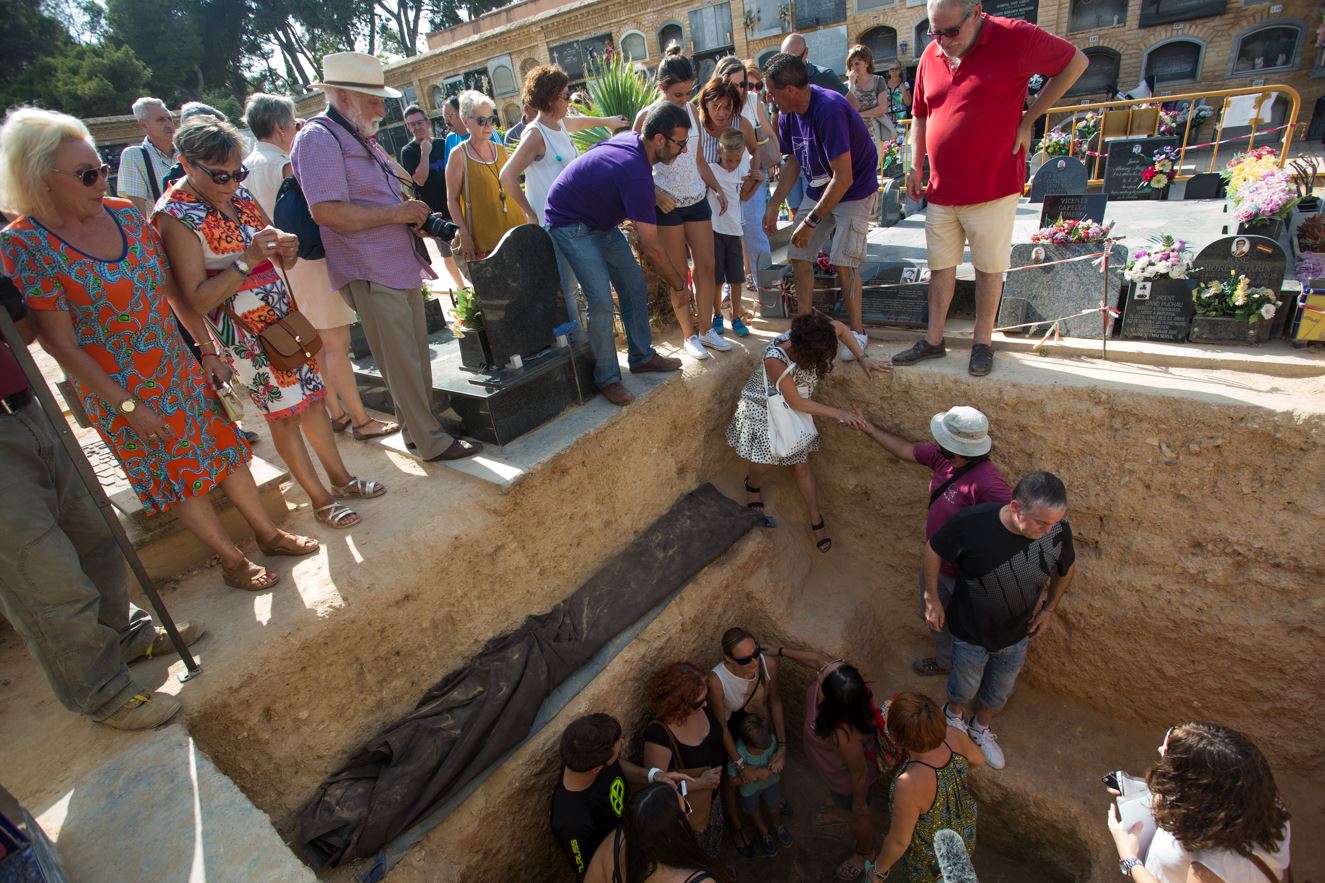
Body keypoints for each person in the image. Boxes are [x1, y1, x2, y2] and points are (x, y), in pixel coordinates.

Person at [0, 107, 304, 592]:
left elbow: (170, 292)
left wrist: (206, 351)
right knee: (177, 474)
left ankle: (268, 534)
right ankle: (231, 560)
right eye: (86, 174)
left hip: (178, 364)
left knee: (225, 451)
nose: (101, 180)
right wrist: (126, 405)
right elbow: (59, 343)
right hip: (119, 387)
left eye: (100, 167)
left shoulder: (123, 213)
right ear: (41, 177)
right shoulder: (24, 244)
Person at [155, 117, 387, 530]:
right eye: (221, 174)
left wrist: (288, 248)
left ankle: (342, 480)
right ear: (188, 164)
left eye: (237, 172)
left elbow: (277, 254)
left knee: (314, 400)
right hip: (244, 334)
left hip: (282, 317)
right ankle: (319, 499)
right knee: (284, 416)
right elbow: (193, 297)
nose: (231, 182)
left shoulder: (238, 194)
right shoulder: (175, 214)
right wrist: (246, 260)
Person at [0, 274, 206, 730]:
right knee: (41, 572)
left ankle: (124, 634)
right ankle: (102, 690)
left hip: (25, 407)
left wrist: (13, 305)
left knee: (95, 534)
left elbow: (27, 334)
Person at [292, 51, 481, 462]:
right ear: (344, 96)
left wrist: (410, 215)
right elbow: (325, 211)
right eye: (374, 99)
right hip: (369, 267)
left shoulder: (357, 135)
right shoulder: (318, 138)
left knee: (410, 356)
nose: (382, 108)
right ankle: (431, 442)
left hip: (397, 262)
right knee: (402, 361)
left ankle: (418, 432)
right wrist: (398, 213)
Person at [892, 0, 1087, 377]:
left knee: (988, 268)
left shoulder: (1015, 37)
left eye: (951, 31)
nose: (943, 41)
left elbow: (1075, 62)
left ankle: (983, 341)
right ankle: (934, 340)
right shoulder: (933, 54)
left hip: (992, 183)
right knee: (940, 268)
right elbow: (920, 114)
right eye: (936, 32)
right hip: (942, 187)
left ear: (976, 12)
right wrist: (915, 166)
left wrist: (1030, 119)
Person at [243, 93, 398, 444]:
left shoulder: (248, 165)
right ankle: (360, 419)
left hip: (282, 270)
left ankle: (338, 413)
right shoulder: (284, 163)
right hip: (310, 262)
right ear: (281, 125)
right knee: (335, 345)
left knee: (315, 346)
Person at [925, 470, 1076, 770]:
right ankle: (954, 718)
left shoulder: (1057, 531)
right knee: (963, 687)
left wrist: (1049, 609)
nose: (1049, 531)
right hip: (970, 632)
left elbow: (1066, 567)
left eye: (1054, 523)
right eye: (1042, 523)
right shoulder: (973, 524)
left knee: (997, 692)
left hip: (1016, 634)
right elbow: (933, 549)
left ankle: (980, 728)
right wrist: (932, 598)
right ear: (1016, 507)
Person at [543, 103, 687, 407]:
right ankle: (607, 378)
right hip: (569, 223)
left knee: (633, 283)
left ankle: (641, 356)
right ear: (659, 139)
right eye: (680, 143)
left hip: (599, 221)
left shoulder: (635, 140)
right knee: (601, 301)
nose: (683, 151)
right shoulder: (636, 173)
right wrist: (679, 282)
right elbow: (652, 248)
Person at [860, 407, 1012, 676]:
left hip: (966, 577)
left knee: (968, 632)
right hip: (936, 565)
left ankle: (970, 677)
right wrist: (870, 429)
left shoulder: (988, 484)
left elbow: (1010, 528)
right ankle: (946, 662)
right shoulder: (944, 459)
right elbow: (906, 450)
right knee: (934, 618)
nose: (937, 442)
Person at [727, 308, 885, 552]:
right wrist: (839, 413)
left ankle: (816, 519)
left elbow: (841, 329)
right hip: (765, 403)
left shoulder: (816, 333)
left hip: (795, 399)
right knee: (765, 459)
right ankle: (752, 484)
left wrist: (863, 358)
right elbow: (796, 403)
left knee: (801, 465)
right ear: (802, 352)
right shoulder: (775, 358)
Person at [761, 52, 879, 363]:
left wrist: (812, 221)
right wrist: (774, 204)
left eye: (771, 92)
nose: (769, 99)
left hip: (854, 189)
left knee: (845, 259)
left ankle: (857, 331)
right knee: (798, 253)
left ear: (789, 90)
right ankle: (803, 326)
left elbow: (843, 178)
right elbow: (794, 161)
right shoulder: (787, 114)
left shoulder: (829, 109)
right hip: (819, 186)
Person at [500, 65, 628, 330]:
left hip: (574, 220)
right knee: (568, 287)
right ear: (549, 99)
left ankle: (586, 338)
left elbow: (580, 123)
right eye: (565, 96)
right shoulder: (535, 134)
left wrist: (607, 122)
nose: (570, 100)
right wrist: (531, 213)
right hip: (553, 225)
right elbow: (507, 175)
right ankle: (578, 342)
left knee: (581, 285)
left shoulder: (557, 124)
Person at [632, 47, 732, 362]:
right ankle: (689, 335)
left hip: (696, 199)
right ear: (661, 88)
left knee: (707, 267)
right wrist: (655, 194)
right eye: (677, 93)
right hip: (667, 206)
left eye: (689, 92)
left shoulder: (692, 113)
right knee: (679, 273)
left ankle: (705, 330)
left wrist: (716, 187)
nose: (684, 98)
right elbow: (632, 165)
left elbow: (699, 159)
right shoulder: (647, 116)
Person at [1105, 722, 1293, 883]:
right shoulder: (1259, 800)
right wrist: (1143, 794)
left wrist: (1130, 859)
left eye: (1168, 756)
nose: (1161, 751)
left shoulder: (1215, 865)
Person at [779, 647, 884, 881]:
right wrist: (778, 650)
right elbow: (819, 659)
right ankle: (840, 811)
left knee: (859, 818)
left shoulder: (844, 734)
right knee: (839, 802)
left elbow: (858, 775)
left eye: (823, 676)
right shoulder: (840, 682)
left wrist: (859, 806)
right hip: (831, 773)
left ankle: (865, 851)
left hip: (846, 784)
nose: (821, 672)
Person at [551, 713, 690, 881]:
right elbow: (587, 874)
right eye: (618, 751)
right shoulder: (571, 823)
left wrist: (654, 776)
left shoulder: (584, 756)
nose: (623, 743)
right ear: (596, 769)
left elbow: (616, 765)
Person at [866, 692, 984, 882]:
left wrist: (878, 871)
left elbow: (899, 841)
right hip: (963, 833)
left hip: (930, 857)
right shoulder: (954, 735)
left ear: (900, 741)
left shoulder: (909, 782)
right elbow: (980, 759)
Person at [706, 626, 787, 858]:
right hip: (730, 726)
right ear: (728, 659)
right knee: (731, 778)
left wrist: (782, 745)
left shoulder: (767, 664)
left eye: (756, 652)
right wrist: (740, 764)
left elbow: (775, 702)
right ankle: (737, 826)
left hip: (757, 723)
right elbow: (720, 725)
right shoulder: (717, 681)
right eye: (745, 659)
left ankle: (773, 799)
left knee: (767, 758)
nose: (754, 662)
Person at [641, 662, 726, 854]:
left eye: (707, 696)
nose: (705, 704)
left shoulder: (700, 708)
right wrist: (699, 784)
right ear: (678, 702)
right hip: (691, 807)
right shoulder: (659, 736)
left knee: (714, 841)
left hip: (712, 797)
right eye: (698, 703)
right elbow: (657, 790)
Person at [582, 783, 734, 883]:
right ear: (671, 832)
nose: (689, 815)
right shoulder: (699, 881)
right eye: (686, 809)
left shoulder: (613, 843)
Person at [715, 57, 774, 296]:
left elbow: (756, 148)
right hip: (720, 190)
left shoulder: (747, 107)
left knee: (754, 234)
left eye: (742, 84)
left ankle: (768, 288)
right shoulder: (709, 114)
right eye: (733, 83)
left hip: (747, 187)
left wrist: (753, 175)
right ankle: (730, 289)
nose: (739, 89)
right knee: (725, 240)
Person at [446, 90, 522, 264]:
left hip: (516, 234)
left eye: (491, 120)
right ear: (466, 121)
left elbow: (515, 189)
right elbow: (452, 199)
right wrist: (464, 234)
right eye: (481, 121)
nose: (488, 125)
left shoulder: (501, 150)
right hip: (485, 242)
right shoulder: (458, 155)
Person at [399, 104, 467, 295]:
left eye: (420, 122)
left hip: (455, 206)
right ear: (408, 128)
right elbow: (418, 180)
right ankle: (463, 290)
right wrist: (425, 152)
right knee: (449, 253)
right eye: (412, 125)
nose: (417, 127)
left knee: (466, 246)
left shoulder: (443, 144)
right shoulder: (409, 151)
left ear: (427, 122)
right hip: (435, 214)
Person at [707, 130, 755, 338]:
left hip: (734, 231)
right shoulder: (710, 170)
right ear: (719, 152)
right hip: (714, 230)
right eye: (728, 160)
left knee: (736, 279)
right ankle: (717, 314)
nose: (732, 164)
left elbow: (744, 197)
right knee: (717, 278)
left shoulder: (741, 172)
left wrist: (758, 181)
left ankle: (736, 316)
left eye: (737, 160)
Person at [727, 713, 791, 855]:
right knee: (754, 811)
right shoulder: (737, 752)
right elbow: (731, 781)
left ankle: (778, 825)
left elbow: (778, 754)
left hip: (771, 784)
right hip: (749, 791)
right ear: (747, 743)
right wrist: (755, 774)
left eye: (766, 748)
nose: (764, 751)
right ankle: (764, 833)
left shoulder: (771, 740)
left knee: (774, 808)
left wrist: (778, 761)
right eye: (759, 750)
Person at [116, 96, 177, 218]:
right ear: (144, 125)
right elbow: (137, 212)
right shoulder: (135, 156)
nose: (168, 124)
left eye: (169, 119)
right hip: (164, 233)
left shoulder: (187, 152)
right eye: (160, 120)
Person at [845, 45, 897, 161]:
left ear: (867, 63)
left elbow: (882, 108)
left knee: (872, 169)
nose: (854, 68)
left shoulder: (878, 81)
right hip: (853, 134)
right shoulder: (846, 86)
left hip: (873, 134)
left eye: (857, 63)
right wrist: (851, 86)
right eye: (851, 65)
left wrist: (858, 115)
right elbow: (846, 109)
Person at [780, 33, 849, 94]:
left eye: (795, 59)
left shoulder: (825, 76)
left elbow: (853, 105)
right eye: (785, 60)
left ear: (806, 52)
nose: (790, 64)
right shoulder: (779, 82)